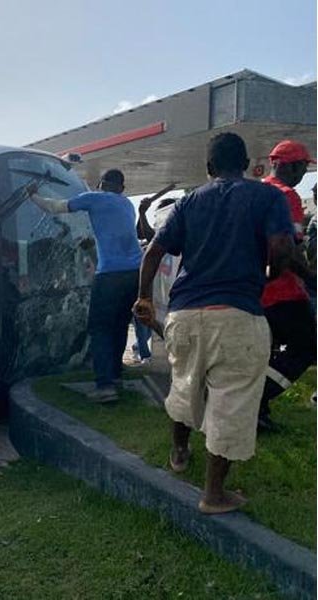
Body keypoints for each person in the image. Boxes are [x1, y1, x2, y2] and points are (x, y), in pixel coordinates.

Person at [133, 132, 294, 514]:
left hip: (185, 314)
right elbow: (283, 252)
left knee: (184, 386)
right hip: (237, 314)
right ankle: (214, 494)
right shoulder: (267, 196)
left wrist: (142, 297)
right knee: (232, 401)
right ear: (247, 163)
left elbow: (153, 252)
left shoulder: (188, 202)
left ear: (208, 168)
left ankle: (179, 452)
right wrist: (264, 277)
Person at [30, 169, 142, 402]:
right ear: (122, 187)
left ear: (100, 184)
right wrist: (92, 247)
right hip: (134, 274)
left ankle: (104, 386)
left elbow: (55, 207)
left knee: (100, 328)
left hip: (110, 274)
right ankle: (115, 375)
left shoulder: (94, 198)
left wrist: (33, 196)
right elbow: (115, 235)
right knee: (120, 325)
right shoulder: (127, 205)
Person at [257, 140, 317, 430]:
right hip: (282, 290)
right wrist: (311, 279)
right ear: (288, 165)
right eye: (303, 167)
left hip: (254, 290)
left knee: (264, 353)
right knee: (307, 346)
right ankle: (256, 400)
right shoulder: (287, 196)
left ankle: (259, 411)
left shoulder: (256, 191)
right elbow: (287, 252)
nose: (304, 175)